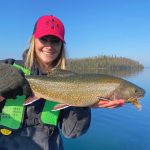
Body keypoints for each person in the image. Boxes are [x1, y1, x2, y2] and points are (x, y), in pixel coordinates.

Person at [0, 15, 125, 150]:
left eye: (55, 41)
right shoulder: (7, 67)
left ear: (61, 45)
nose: (49, 46)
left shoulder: (70, 81)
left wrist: (83, 102)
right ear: (33, 40)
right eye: (44, 39)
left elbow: (72, 132)